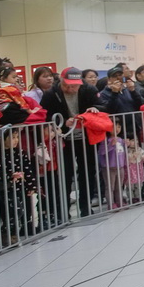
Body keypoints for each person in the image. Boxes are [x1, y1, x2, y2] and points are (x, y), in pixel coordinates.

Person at [40, 67, 99, 219]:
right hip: (62, 140)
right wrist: (62, 123)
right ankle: (63, 211)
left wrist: (94, 109)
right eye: (67, 85)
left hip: (86, 138)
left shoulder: (89, 90)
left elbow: (102, 105)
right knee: (64, 175)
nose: (71, 88)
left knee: (88, 173)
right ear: (61, 80)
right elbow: (44, 115)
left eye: (75, 85)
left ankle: (86, 207)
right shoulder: (50, 94)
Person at [97, 120, 129, 209]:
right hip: (109, 167)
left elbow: (123, 152)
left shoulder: (120, 140)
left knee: (119, 186)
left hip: (120, 166)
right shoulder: (105, 140)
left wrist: (126, 144)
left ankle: (119, 201)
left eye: (119, 127)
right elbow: (101, 152)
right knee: (110, 187)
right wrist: (111, 145)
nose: (117, 129)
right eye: (114, 127)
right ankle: (110, 204)